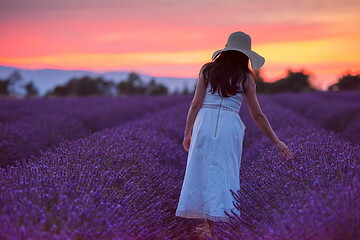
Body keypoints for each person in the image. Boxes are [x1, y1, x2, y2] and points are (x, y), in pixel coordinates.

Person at [175, 31, 294, 239]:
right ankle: (221, 230)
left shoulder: (207, 70)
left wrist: (188, 132)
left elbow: (195, 104)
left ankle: (213, 229)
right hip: (230, 126)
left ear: (226, 50)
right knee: (225, 174)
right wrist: (277, 141)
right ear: (245, 55)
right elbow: (257, 115)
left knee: (202, 172)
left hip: (204, 123)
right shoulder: (246, 77)